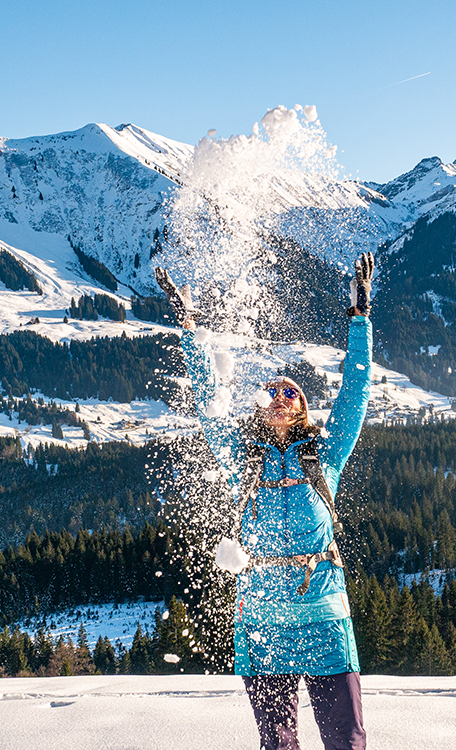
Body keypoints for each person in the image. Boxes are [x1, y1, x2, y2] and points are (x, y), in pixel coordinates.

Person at [155, 253, 375, 750]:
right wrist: (190, 328)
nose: (280, 395)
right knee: (277, 745)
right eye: (271, 390)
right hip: (261, 618)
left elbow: (355, 393)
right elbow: (206, 405)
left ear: (302, 407)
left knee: (346, 740)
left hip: (322, 612)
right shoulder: (243, 460)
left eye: (291, 391)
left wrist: (359, 318)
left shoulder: (324, 453)